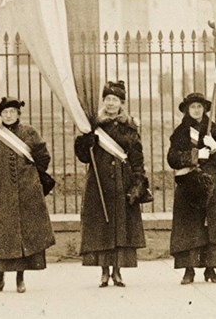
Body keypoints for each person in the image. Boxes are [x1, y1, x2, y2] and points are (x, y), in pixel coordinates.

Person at [74, 80, 147, 287]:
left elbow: (137, 156)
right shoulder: (92, 125)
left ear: (121, 103)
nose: (111, 103)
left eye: (115, 100)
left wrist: (138, 181)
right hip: (99, 182)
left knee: (120, 227)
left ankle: (117, 271)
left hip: (122, 182)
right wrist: (84, 143)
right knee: (101, 227)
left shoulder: (130, 127)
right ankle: (104, 272)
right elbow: (83, 156)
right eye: (107, 99)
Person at [0, 97, 56, 294]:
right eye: (4, 112)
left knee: (23, 238)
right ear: (0, 116)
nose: (8, 115)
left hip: (27, 192)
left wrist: (33, 175)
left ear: (18, 114)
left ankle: (20, 279)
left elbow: (43, 157)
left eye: (12, 112)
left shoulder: (29, 132)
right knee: (2, 237)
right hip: (2, 193)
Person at [166, 92, 216, 284]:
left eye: (199, 106)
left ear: (205, 109)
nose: (196, 110)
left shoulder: (212, 130)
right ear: (188, 110)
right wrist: (195, 155)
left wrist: (215, 148)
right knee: (190, 226)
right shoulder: (180, 132)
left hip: (211, 182)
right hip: (189, 182)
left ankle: (211, 269)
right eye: (193, 107)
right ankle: (189, 270)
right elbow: (172, 158)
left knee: (212, 226)